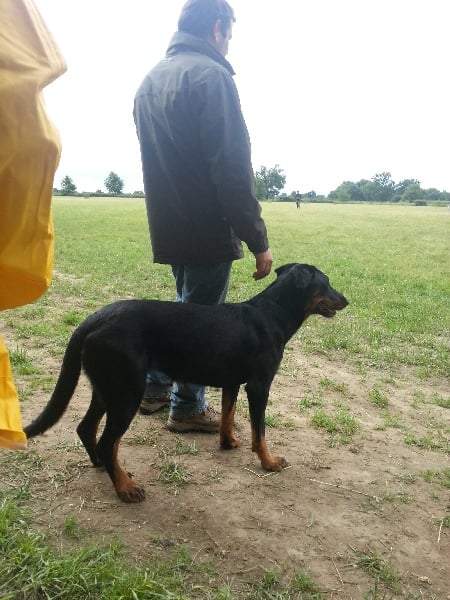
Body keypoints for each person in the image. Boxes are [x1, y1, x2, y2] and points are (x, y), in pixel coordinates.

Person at [133, 0, 273, 433]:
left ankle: (154, 386)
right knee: (199, 321)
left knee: (184, 309)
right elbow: (231, 168)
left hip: (169, 225)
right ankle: (188, 405)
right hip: (207, 229)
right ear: (217, 28)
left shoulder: (149, 81)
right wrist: (257, 238)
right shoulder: (212, 77)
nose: (229, 43)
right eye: (230, 34)